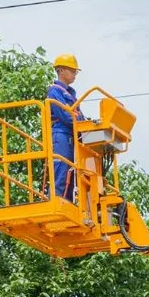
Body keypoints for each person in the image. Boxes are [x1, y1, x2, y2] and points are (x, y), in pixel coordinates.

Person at [46, 54, 86, 203]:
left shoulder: (71, 94)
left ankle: (68, 203)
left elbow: (78, 116)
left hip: (72, 137)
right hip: (61, 135)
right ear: (61, 70)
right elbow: (65, 116)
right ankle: (57, 202)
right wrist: (78, 120)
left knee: (73, 173)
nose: (75, 74)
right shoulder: (55, 91)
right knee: (62, 170)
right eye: (72, 70)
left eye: (76, 71)